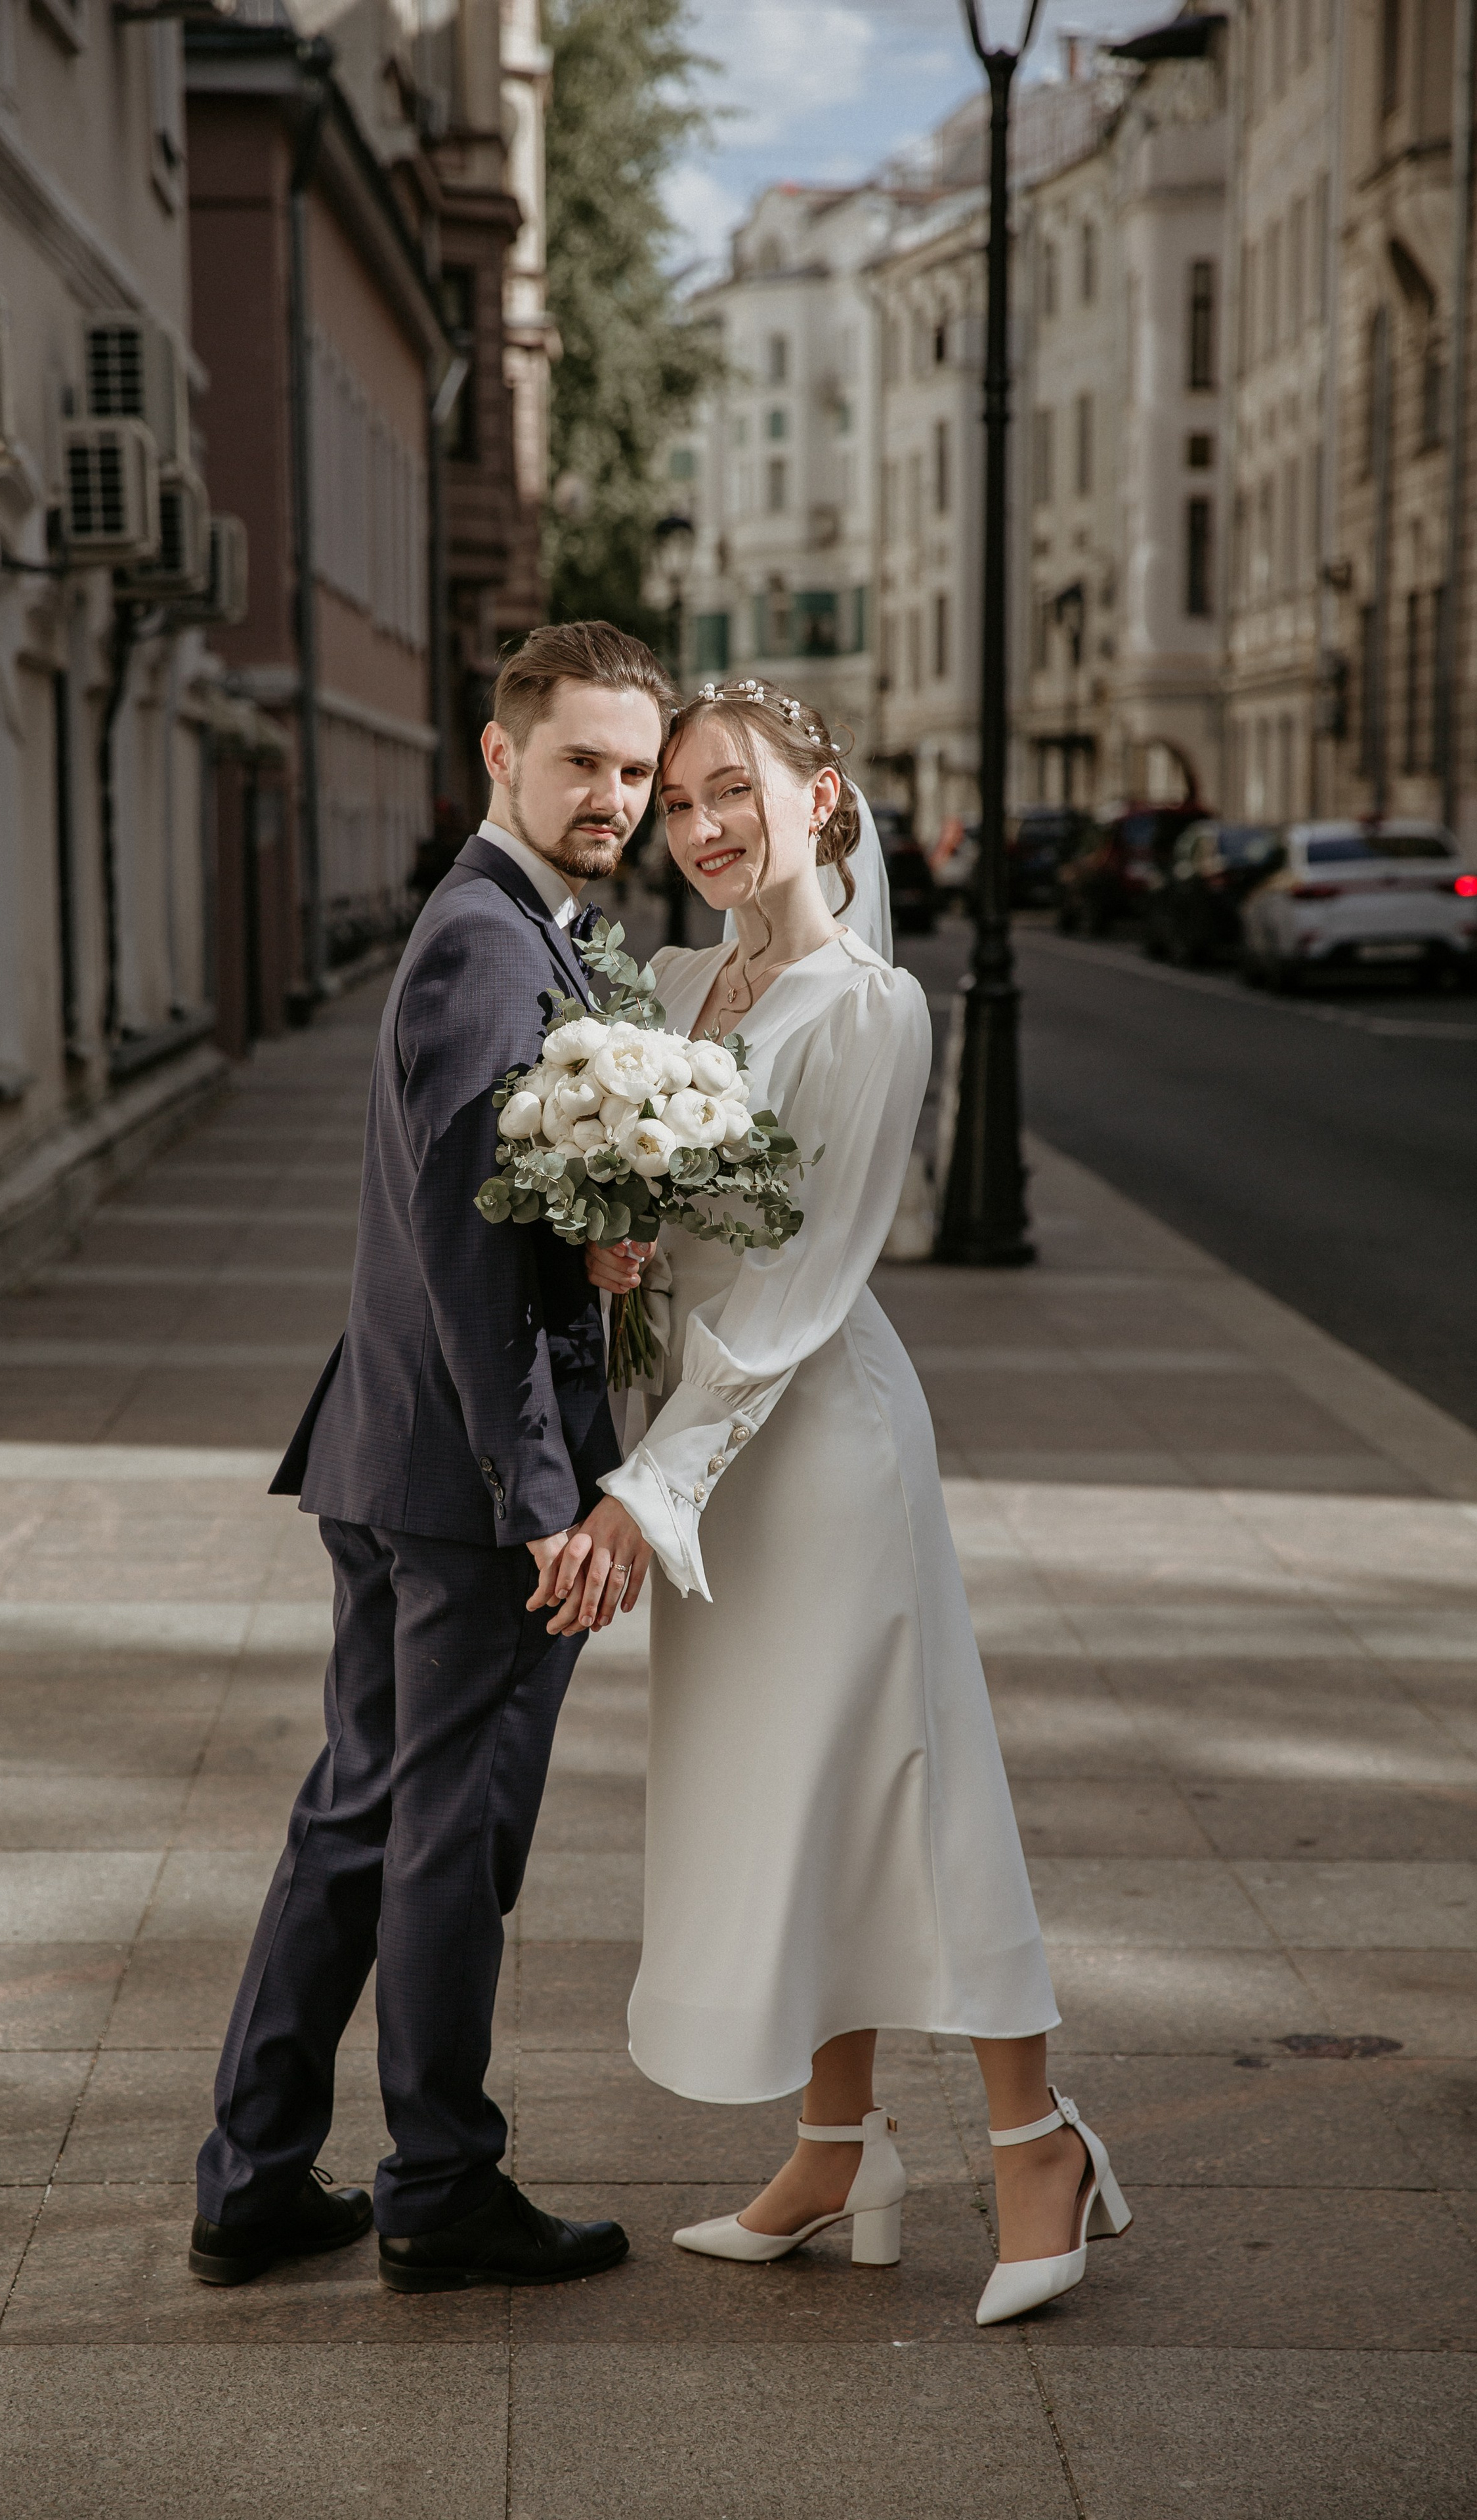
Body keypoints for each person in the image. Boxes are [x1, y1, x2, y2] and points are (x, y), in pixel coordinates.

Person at [557, 681, 1132, 2325]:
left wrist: (642, 1486)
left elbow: (803, 1290)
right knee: (788, 1794)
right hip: (706, 1437)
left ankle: (1037, 2145)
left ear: (822, 798)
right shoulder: (670, 984)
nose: (702, 826)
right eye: (675, 803)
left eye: (730, 788)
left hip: (813, 1444)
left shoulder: (866, 1008)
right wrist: (612, 1254)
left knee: (907, 1783)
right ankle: (835, 2149)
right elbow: (651, 1220)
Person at [189, 622, 670, 2294]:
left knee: (361, 1815)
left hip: (391, 1454)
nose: (612, 795)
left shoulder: (518, 925)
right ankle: (443, 2186)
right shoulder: (488, 941)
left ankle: (252, 2178)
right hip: (465, 1486)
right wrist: (544, 1503)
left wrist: (594, 1245)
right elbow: (466, 1248)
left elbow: (494, 1216)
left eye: (634, 769)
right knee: (445, 1835)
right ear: (498, 756)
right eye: (581, 763)